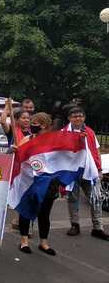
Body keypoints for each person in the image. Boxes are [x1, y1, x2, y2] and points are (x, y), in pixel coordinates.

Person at [62, 107, 109, 240]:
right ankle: (75, 224)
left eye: (80, 116)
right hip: (72, 172)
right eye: (74, 116)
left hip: (89, 170)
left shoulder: (89, 132)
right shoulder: (64, 133)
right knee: (73, 199)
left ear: (84, 117)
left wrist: (99, 169)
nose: (78, 118)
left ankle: (98, 227)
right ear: (69, 118)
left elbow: (96, 151)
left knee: (96, 198)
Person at [16, 113, 60, 256]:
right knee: (25, 210)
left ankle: (44, 243)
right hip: (29, 181)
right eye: (32, 122)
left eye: (36, 123)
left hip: (48, 182)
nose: (32, 124)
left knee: (44, 213)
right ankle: (24, 241)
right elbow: (19, 157)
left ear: (45, 125)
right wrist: (16, 151)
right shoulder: (26, 139)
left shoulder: (53, 141)